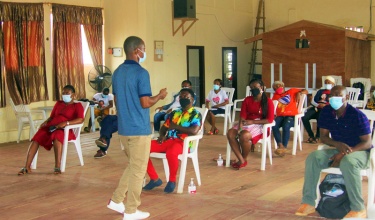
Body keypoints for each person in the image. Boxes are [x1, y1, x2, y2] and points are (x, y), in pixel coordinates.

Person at [107, 36, 167, 220]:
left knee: (133, 166)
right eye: (144, 49)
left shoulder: (117, 72)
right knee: (139, 170)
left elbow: (116, 100)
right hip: (139, 129)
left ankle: (117, 200)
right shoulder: (142, 73)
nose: (144, 52)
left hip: (124, 129)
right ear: (137, 51)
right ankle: (131, 210)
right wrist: (160, 96)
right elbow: (145, 102)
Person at [295, 86, 371, 219]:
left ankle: (358, 208)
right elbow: (323, 137)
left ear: (346, 97)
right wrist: (338, 145)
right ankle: (308, 202)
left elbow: (367, 142)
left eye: (338, 95)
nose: (334, 98)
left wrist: (345, 152)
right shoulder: (326, 112)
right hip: (339, 148)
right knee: (313, 157)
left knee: (348, 161)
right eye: (332, 96)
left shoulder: (356, 115)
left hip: (360, 151)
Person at [143, 88, 202, 193]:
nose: (183, 98)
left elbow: (194, 131)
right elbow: (164, 127)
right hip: (168, 140)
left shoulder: (195, 114)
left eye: (186, 97)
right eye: (181, 97)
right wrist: (162, 135)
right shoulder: (175, 112)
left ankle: (172, 181)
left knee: (171, 152)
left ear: (192, 99)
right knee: (142, 149)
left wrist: (176, 126)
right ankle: (154, 179)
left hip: (184, 143)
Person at [17, 85, 85, 175]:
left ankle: (57, 167)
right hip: (52, 127)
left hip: (65, 130)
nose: (65, 95)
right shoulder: (59, 104)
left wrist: (66, 123)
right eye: (63, 93)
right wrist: (46, 121)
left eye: (67, 93)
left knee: (57, 137)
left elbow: (81, 119)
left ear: (73, 95)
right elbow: (52, 117)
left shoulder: (77, 106)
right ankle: (27, 167)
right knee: (36, 138)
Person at [226, 79, 274, 169]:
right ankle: (242, 160)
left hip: (260, 125)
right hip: (246, 123)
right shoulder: (247, 100)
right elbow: (242, 116)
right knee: (230, 133)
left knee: (244, 136)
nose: (253, 89)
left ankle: (243, 159)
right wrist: (240, 128)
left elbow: (269, 120)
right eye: (251, 88)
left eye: (255, 87)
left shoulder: (268, 101)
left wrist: (253, 122)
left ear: (262, 87)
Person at [272, 81, 308, 157]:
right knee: (274, 125)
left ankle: (284, 147)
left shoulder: (292, 91)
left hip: (291, 116)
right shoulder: (275, 96)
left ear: (283, 86)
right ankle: (280, 145)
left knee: (286, 126)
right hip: (280, 116)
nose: (277, 87)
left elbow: (306, 91)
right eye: (275, 87)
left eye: (279, 86)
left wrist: (300, 93)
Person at [302, 76, 335, 144]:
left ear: (333, 84)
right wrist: (316, 104)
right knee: (304, 117)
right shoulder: (320, 91)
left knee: (320, 117)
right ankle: (311, 135)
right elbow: (315, 101)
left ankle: (317, 137)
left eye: (328, 82)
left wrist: (326, 105)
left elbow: (334, 103)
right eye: (325, 82)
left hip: (327, 110)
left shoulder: (334, 92)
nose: (327, 84)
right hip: (316, 108)